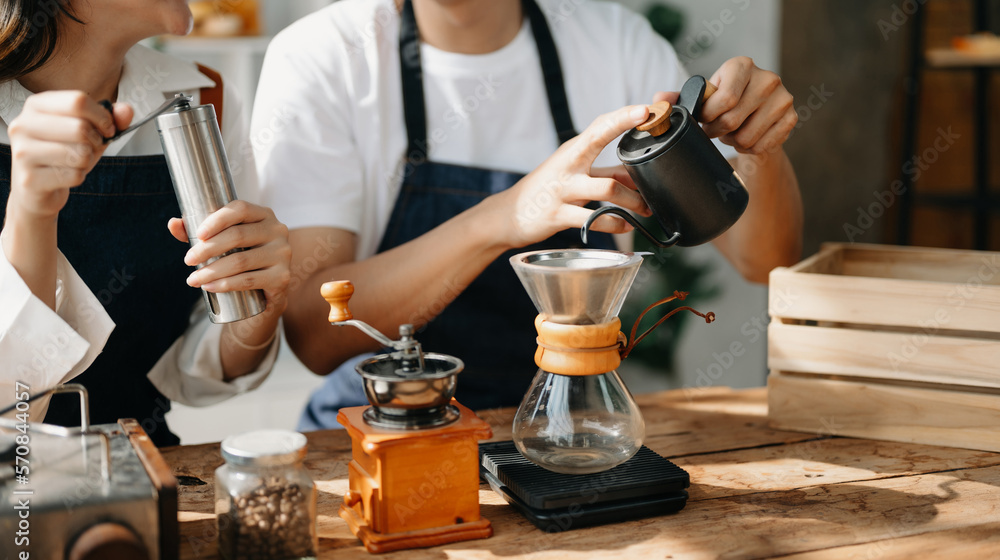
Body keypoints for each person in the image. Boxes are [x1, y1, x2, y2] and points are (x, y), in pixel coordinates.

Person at [251, 0, 803, 430]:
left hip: (574, 424)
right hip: (390, 425)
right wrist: (503, 217)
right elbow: (314, 330)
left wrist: (758, 144)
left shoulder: (615, 45)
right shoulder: (323, 56)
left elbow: (765, 259)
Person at [0, 0, 292, 446]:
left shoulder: (202, 97)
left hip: (143, 471)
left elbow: (189, 375)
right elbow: (14, 416)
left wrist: (257, 307)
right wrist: (30, 212)